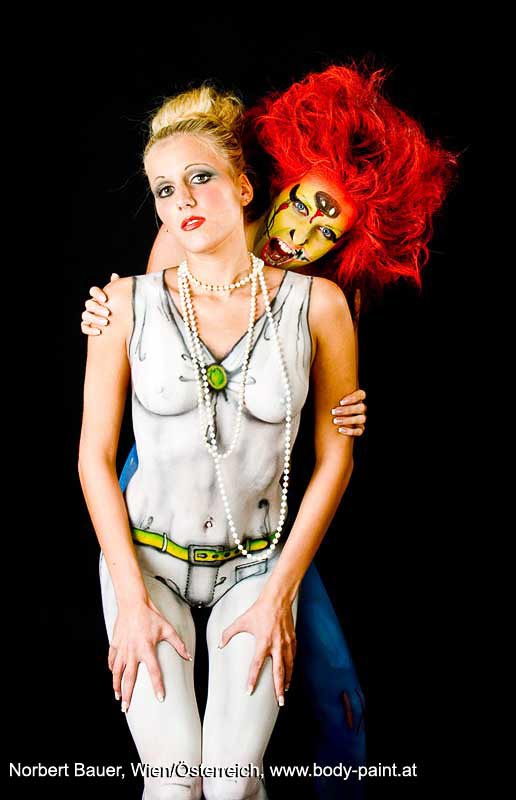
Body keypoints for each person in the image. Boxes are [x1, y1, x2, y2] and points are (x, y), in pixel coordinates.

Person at [78, 83, 358, 800]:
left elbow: (336, 456)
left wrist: (277, 596)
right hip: (149, 556)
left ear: (243, 186)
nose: (184, 200)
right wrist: (130, 600)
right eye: (164, 190)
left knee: (234, 782)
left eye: (200, 176)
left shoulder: (322, 304)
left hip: (255, 562)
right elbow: (94, 458)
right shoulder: (124, 303)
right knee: (174, 782)